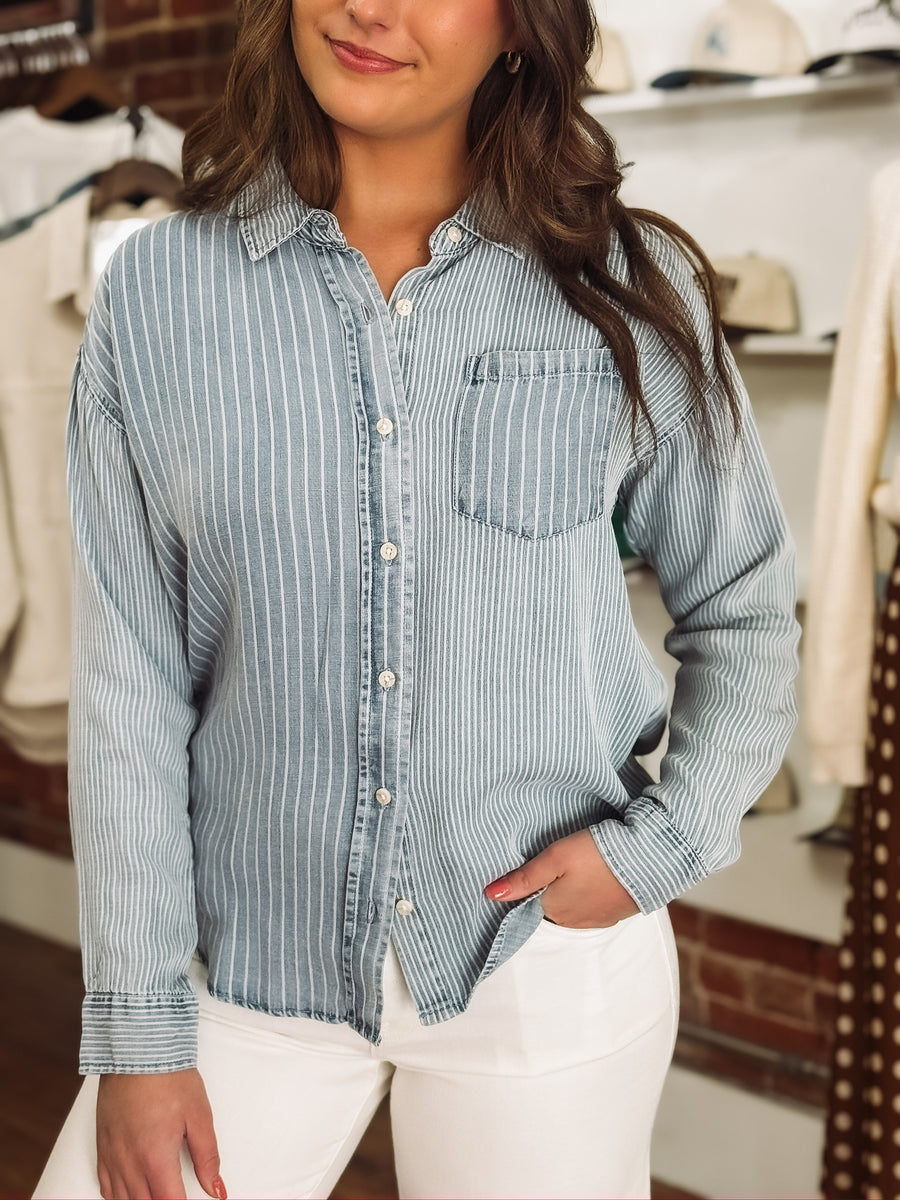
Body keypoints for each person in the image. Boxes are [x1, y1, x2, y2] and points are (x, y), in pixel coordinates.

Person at [33, 0, 800, 1197]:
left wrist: (663, 843)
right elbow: (130, 683)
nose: (370, 10)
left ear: (518, 26)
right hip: (244, 970)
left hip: (541, 961)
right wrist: (136, 1030)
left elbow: (746, 604)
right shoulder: (159, 297)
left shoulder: (625, 285)